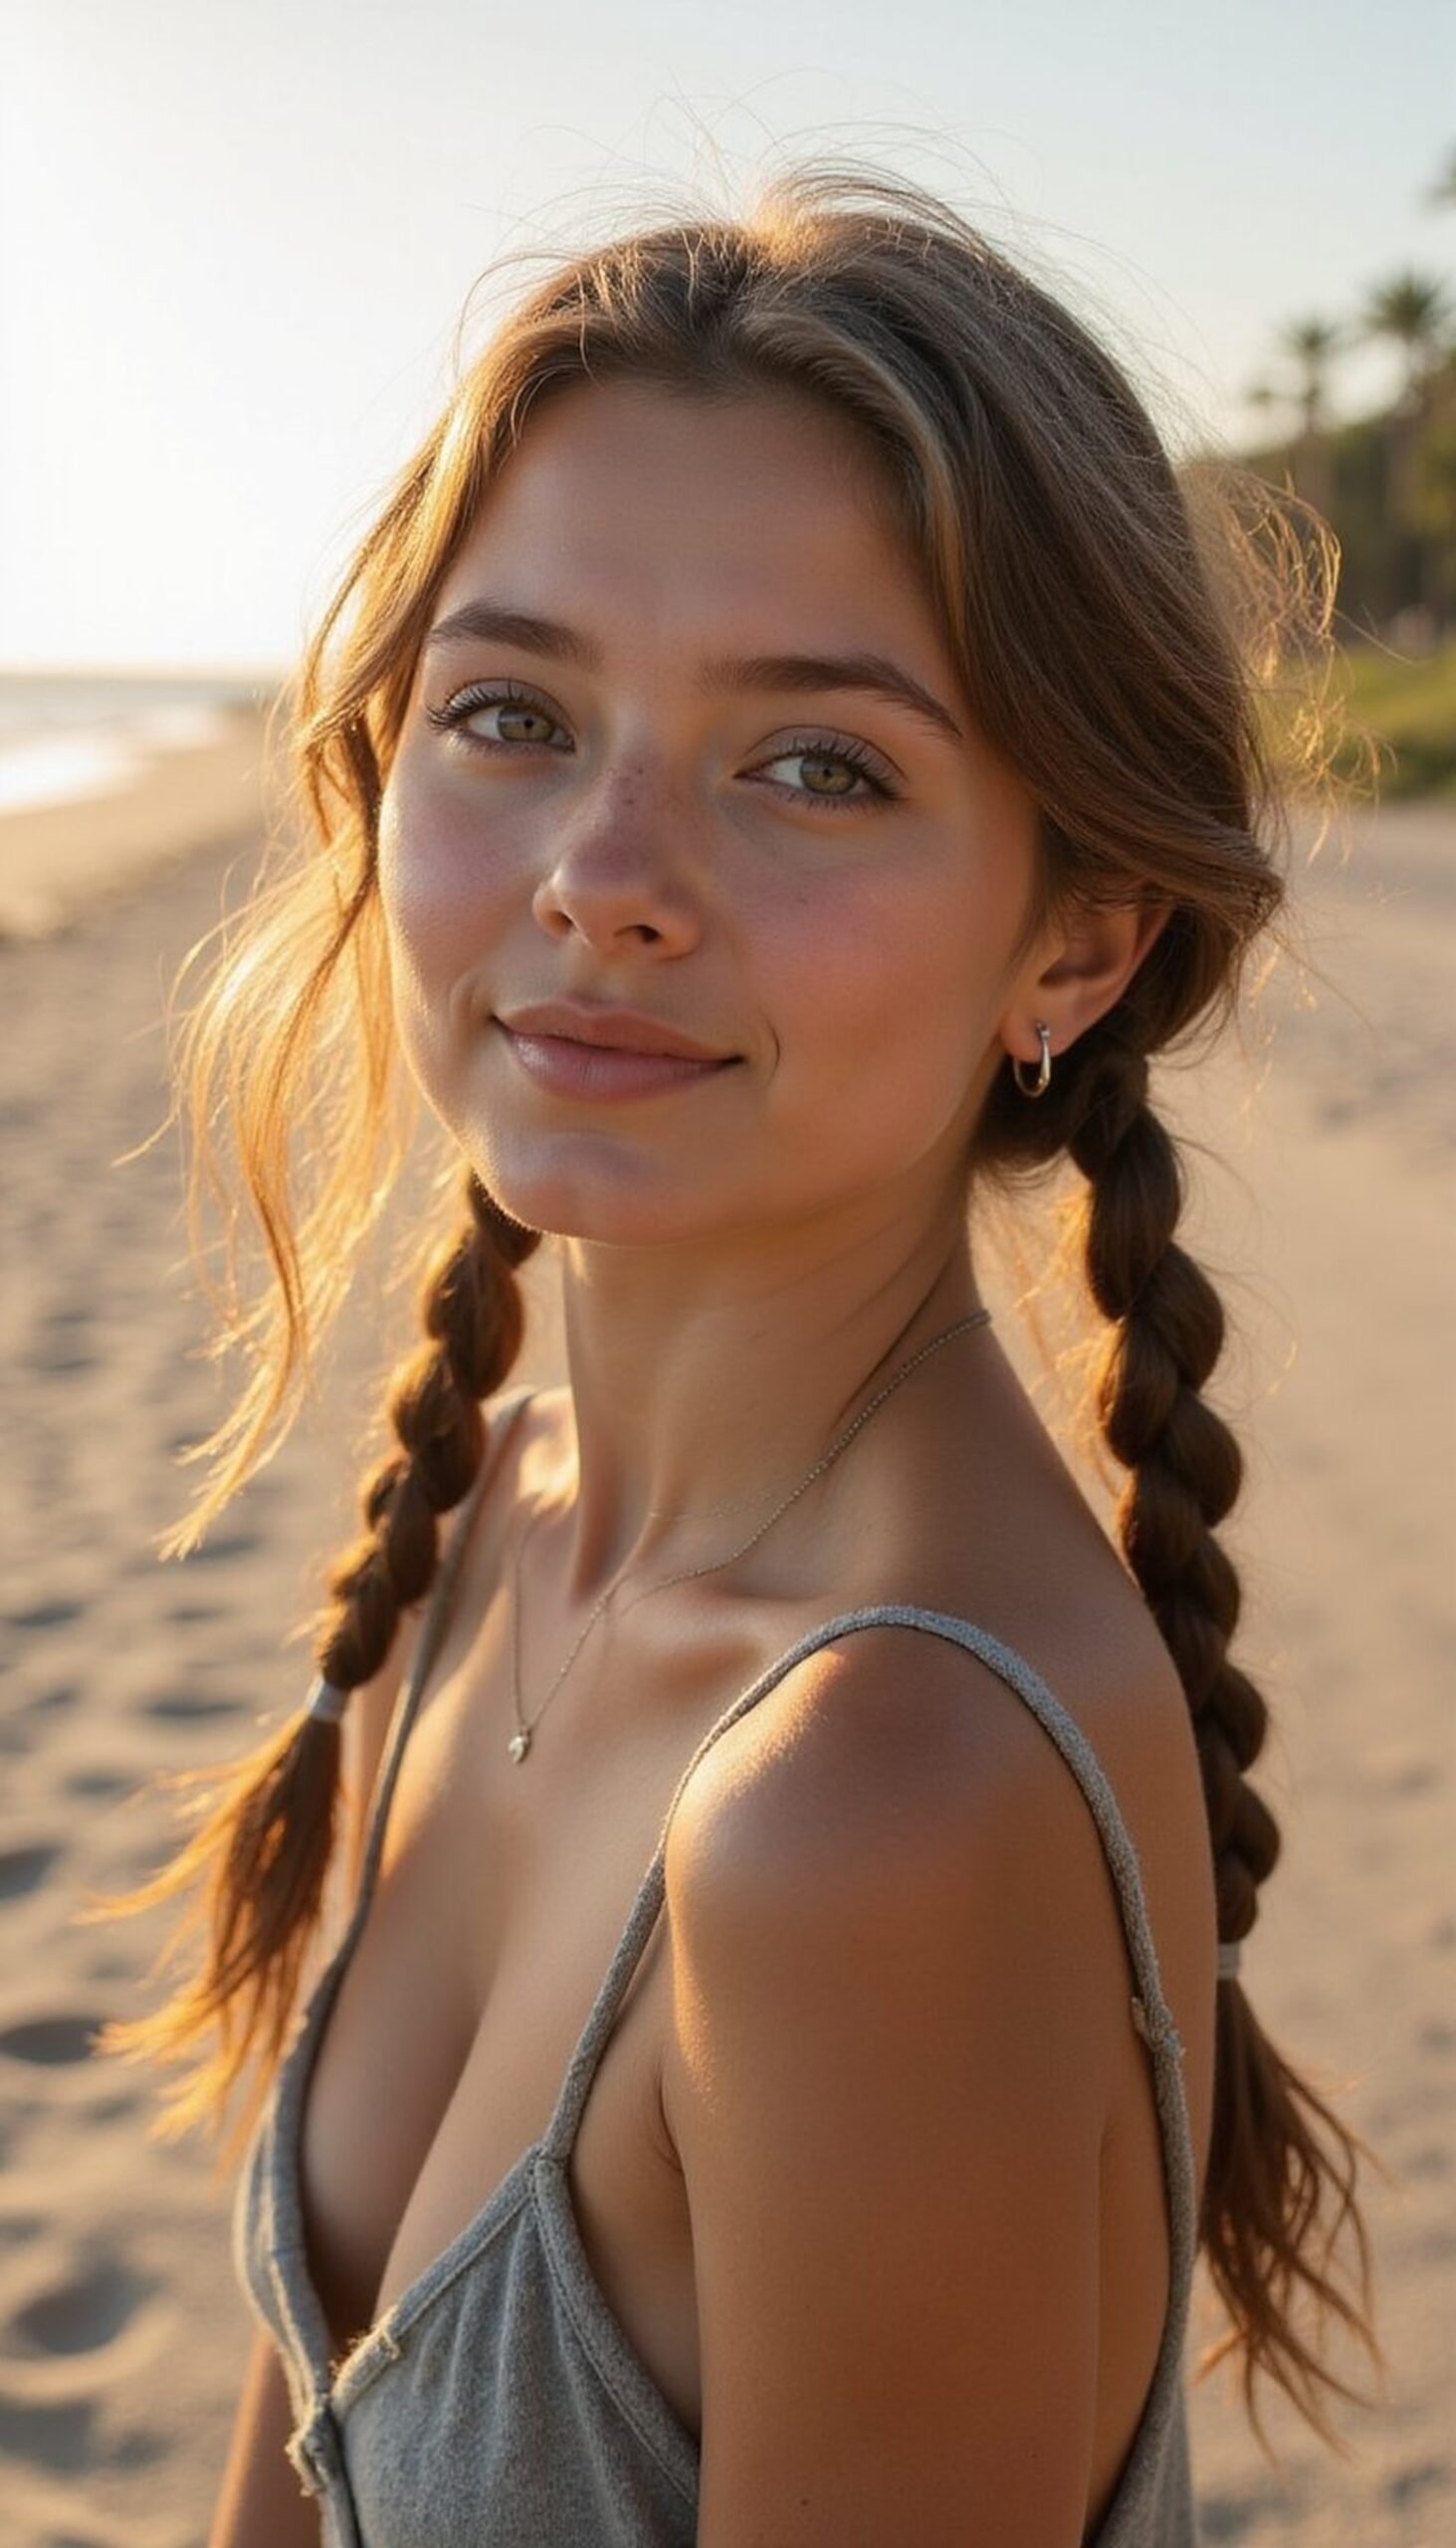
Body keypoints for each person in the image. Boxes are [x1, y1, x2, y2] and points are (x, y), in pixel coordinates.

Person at [103, 167, 1378, 2545]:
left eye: (818, 764)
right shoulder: (493, 1524)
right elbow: (294, 2452)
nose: (605, 865)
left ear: (1079, 937)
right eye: (511, 710)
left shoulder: (879, 1800)